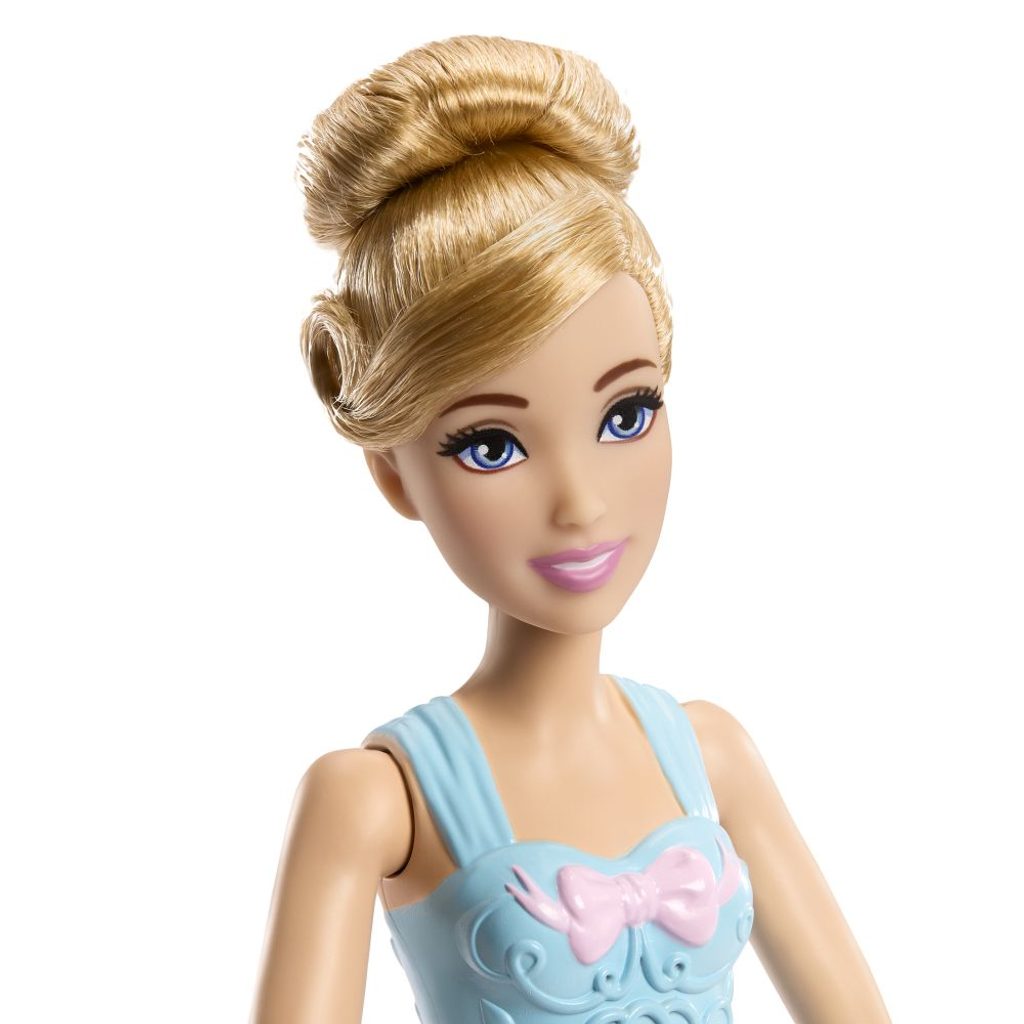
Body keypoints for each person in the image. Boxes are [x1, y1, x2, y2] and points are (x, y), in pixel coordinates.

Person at [251, 34, 890, 1024]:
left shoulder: (711, 754)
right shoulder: (374, 800)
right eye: (492, 444)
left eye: (626, 414)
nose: (583, 503)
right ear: (393, 470)